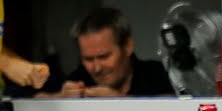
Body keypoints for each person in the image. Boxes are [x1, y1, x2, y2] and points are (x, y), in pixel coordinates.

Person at [40, 8, 175, 98]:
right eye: (88, 59)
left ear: (128, 46)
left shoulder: (159, 75)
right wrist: (60, 99)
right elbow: (31, 103)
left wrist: (118, 102)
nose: (97, 68)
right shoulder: (78, 79)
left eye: (104, 56)